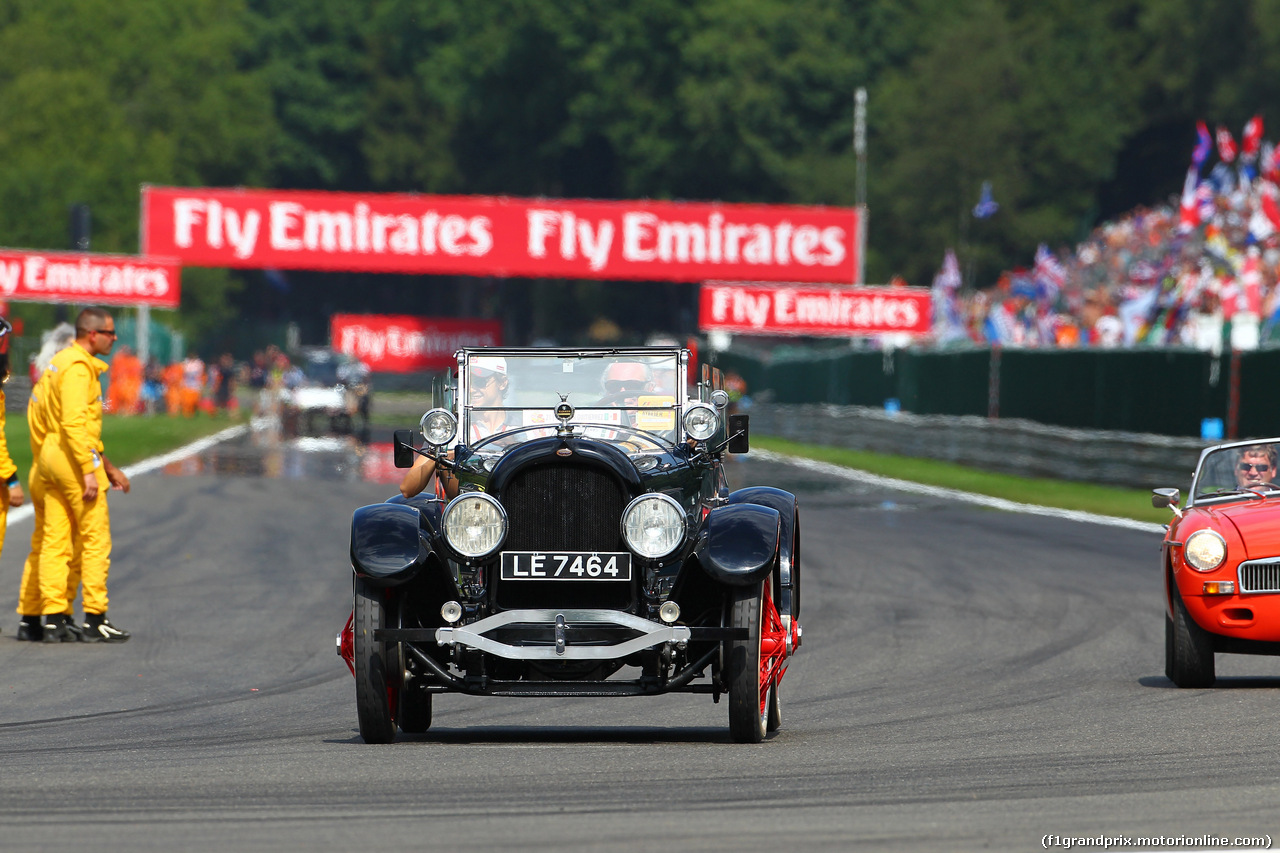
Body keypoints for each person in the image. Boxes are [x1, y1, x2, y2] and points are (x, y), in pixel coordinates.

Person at [35, 308, 132, 643]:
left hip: (50, 453)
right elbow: (76, 425)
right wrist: (90, 470)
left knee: (55, 539)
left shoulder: (59, 361)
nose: (115, 338)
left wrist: (107, 466)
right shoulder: (78, 368)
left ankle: (54, 618)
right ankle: (95, 617)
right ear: (92, 334)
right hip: (71, 458)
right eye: (109, 333)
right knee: (94, 540)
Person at [399, 356, 511, 501]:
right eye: (466, 381)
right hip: (466, 514)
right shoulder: (450, 430)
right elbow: (407, 489)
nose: (470, 389)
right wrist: (440, 453)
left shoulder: (525, 426)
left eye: (479, 381)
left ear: (502, 383)